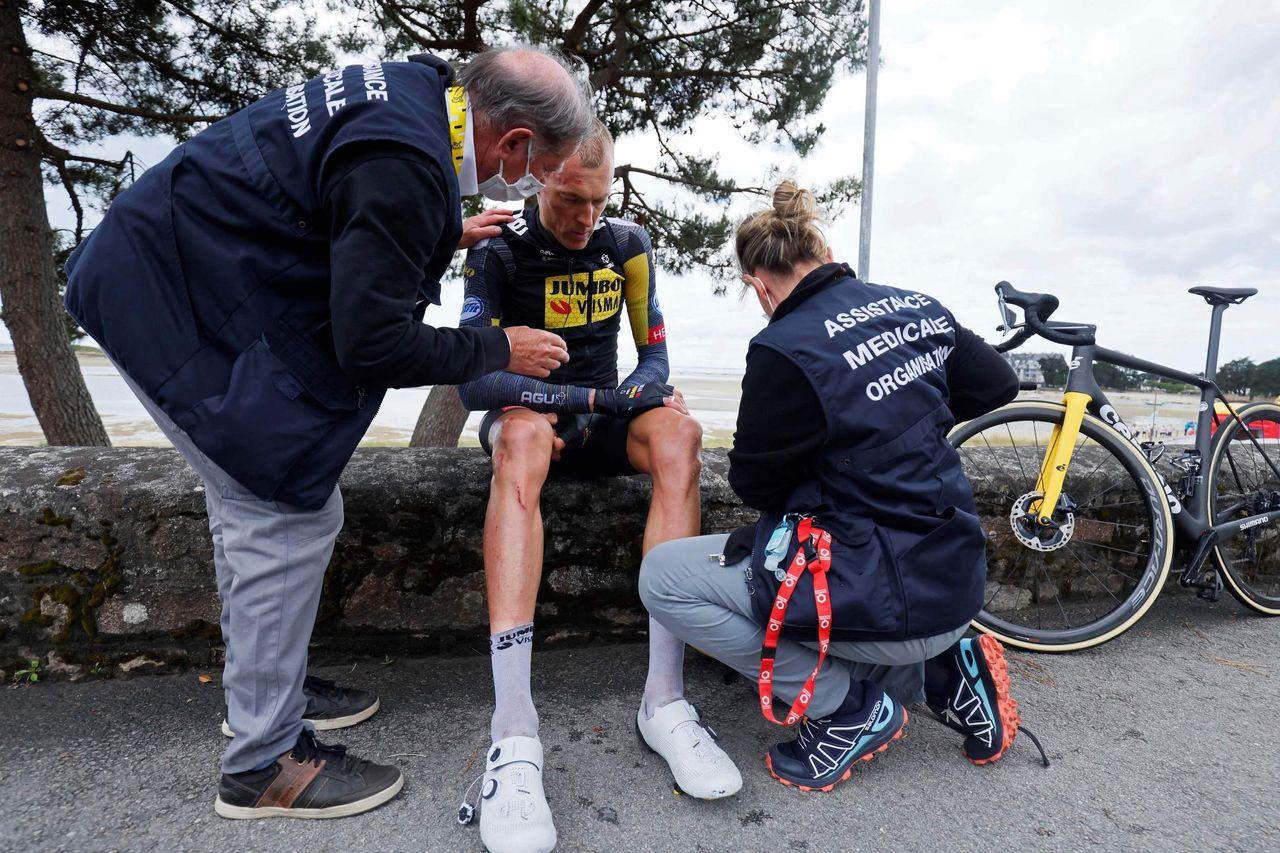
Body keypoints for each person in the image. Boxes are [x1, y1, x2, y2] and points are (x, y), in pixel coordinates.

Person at [63, 45, 594, 820]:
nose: (533, 183)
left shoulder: (418, 93)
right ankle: (263, 761)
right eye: (539, 166)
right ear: (512, 139)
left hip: (169, 264)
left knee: (261, 504)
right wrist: (498, 345)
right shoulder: (410, 165)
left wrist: (446, 228)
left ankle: (267, 688)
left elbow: (343, 206)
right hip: (166, 300)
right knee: (281, 511)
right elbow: (371, 343)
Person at [639, 180, 1027, 793]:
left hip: (880, 600)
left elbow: (755, 484)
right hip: (956, 590)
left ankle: (847, 712)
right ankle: (947, 672)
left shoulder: (783, 347)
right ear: (819, 252)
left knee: (664, 578)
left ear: (757, 284)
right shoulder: (913, 305)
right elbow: (998, 384)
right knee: (855, 582)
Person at [455, 121, 741, 853]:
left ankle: (664, 699)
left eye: (598, 199)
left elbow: (654, 361)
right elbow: (476, 381)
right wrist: (588, 400)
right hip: (535, 422)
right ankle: (513, 730)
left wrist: (625, 399)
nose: (586, 218)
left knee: (679, 434)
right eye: (571, 199)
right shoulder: (497, 248)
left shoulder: (628, 244)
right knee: (518, 435)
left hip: (600, 417)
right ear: (541, 175)